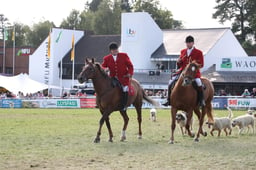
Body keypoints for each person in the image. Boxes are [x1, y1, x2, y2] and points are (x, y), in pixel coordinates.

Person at [162, 35, 205, 107]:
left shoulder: (199, 52)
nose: (188, 44)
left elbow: (202, 64)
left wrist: (194, 64)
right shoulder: (183, 51)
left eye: (189, 43)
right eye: (187, 43)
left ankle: (201, 100)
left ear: (193, 43)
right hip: (183, 72)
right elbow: (180, 64)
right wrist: (178, 61)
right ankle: (168, 99)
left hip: (193, 73)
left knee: (198, 82)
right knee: (170, 82)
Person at [102, 42, 134, 111]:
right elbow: (103, 66)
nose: (116, 51)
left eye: (116, 50)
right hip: (112, 78)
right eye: (114, 50)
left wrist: (130, 73)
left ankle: (124, 105)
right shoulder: (106, 58)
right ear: (111, 51)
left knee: (125, 89)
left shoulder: (124, 55)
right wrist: (105, 69)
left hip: (123, 78)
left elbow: (130, 66)